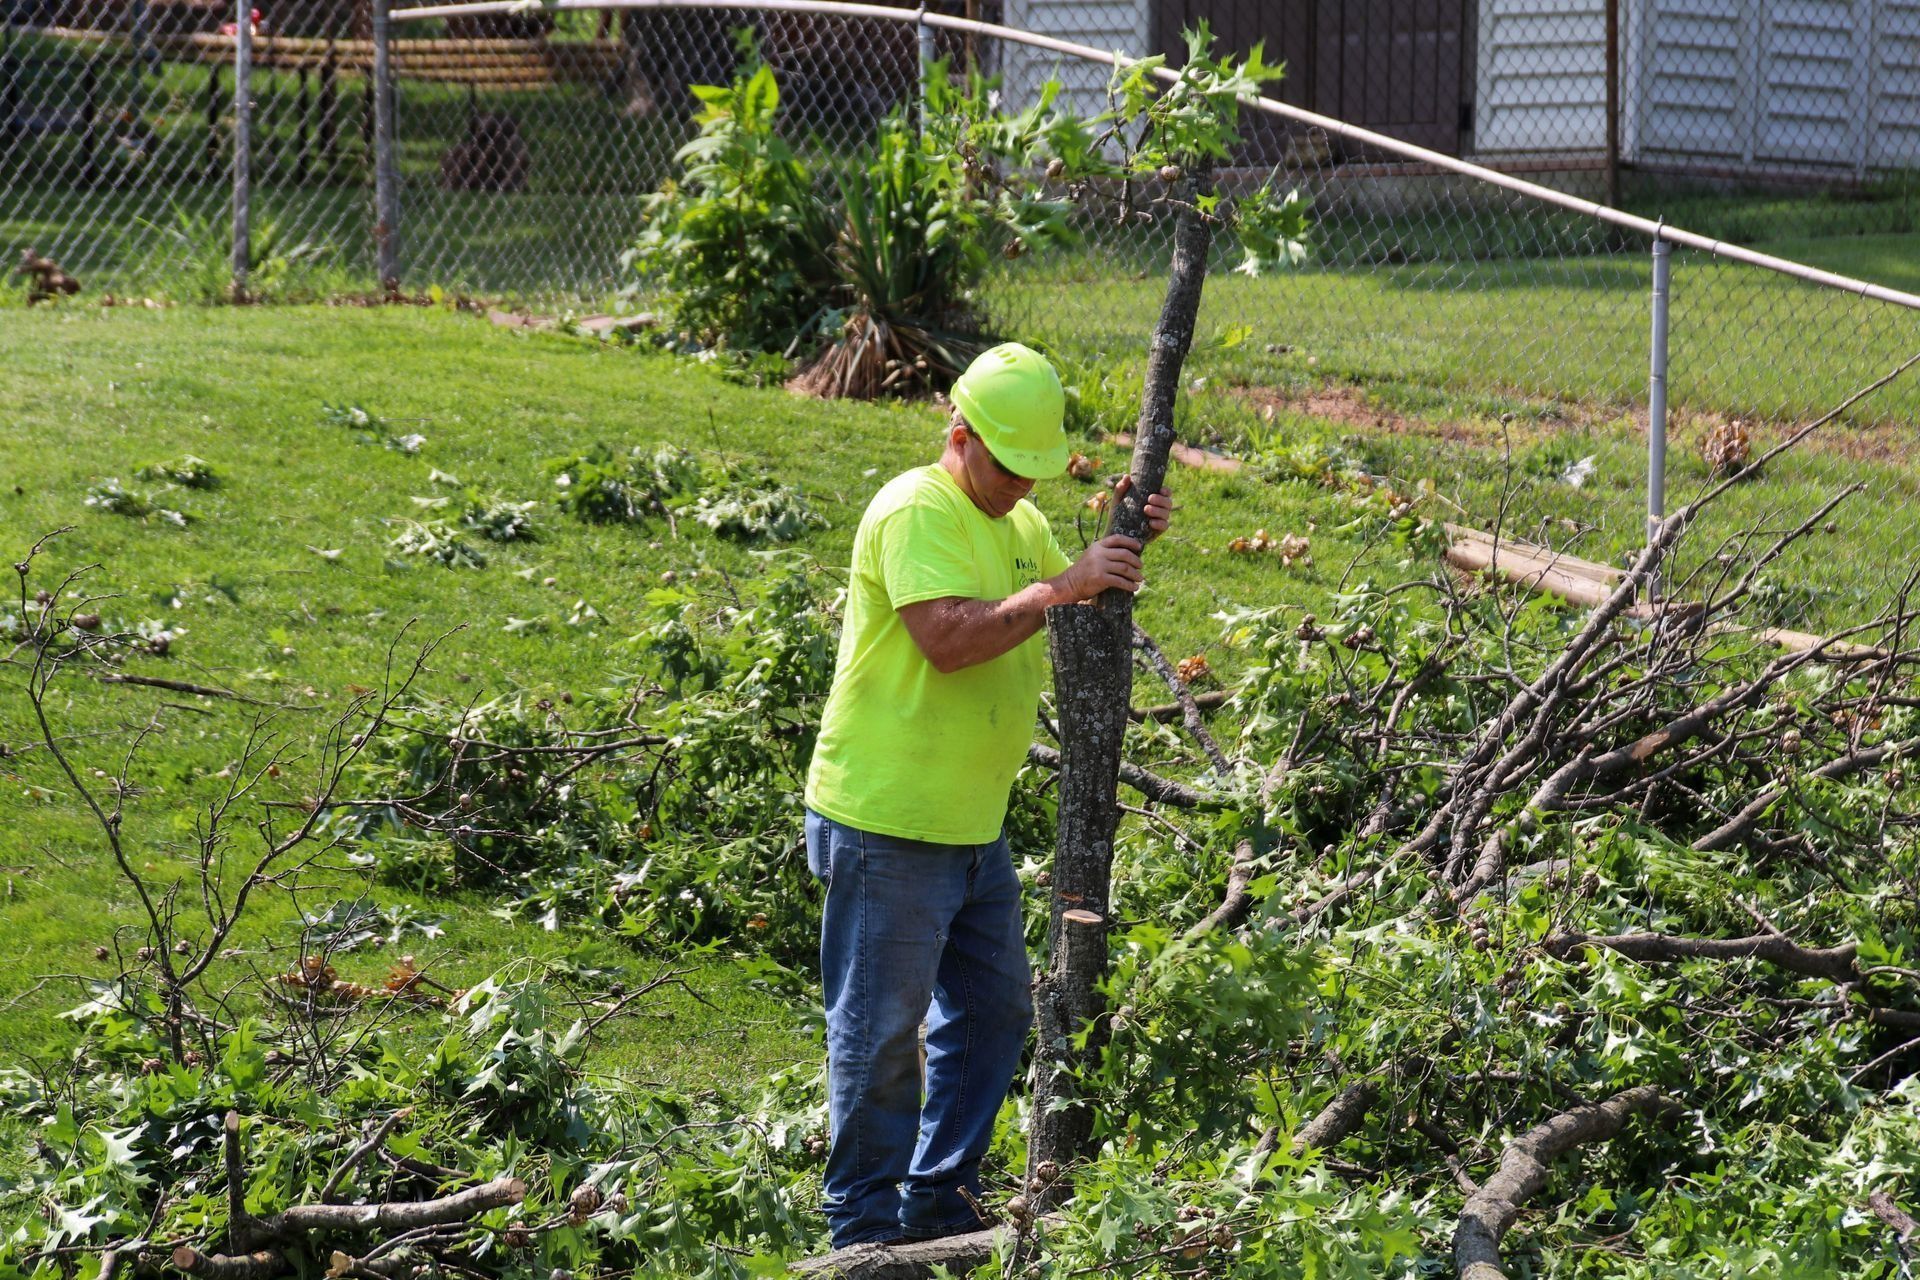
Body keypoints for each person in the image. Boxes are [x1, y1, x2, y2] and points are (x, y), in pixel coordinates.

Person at [803, 342, 1173, 1247]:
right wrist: (1064, 582)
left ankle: (940, 1204)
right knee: (881, 1033)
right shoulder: (915, 507)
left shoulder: (1015, 526)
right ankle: (861, 1229)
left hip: (972, 824)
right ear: (959, 434)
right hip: (885, 820)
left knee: (996, 1011)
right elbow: (948, 640)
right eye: (1006, 464)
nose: (1017, 484)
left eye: (1032, 469)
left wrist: (1124, 543)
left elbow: (1074, 589)